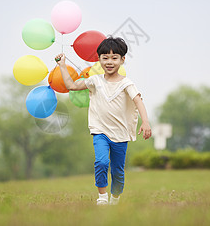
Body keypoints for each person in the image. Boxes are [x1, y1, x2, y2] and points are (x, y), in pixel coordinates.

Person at [55, 36, 151, 206]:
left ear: (122, 60)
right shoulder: (95, 81)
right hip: (100, 131)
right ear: (98, 59)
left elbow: (138, 101)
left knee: (118, 172)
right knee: (101, 162)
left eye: (114, 58)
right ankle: (102, 197)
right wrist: (62, 65)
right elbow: (71, 86)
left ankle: (115, 198)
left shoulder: (126, 83)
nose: (109, 62)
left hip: (120, 134)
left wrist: (145, 122)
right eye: (105, 57)